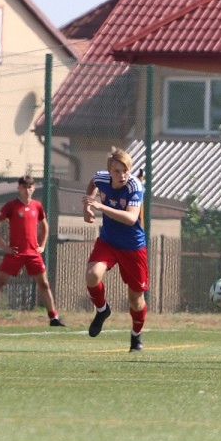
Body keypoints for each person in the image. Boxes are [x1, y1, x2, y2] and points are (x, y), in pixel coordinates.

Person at [82, 147, 148, 352]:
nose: (123, 175)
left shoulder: (134, 186)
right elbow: (93, 183)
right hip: (109, 241)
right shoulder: (102, 178)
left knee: (135, 300)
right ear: (110, 171)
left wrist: (101, 208)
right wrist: (87, 208)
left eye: (126, 170)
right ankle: (102, 310)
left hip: (132, 246)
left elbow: (130, 218)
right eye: (118, 171)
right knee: (92, 275)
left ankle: (136, 336)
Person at [0, 175, 65, 328]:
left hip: (33, 254)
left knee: (44, 284)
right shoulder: (11, 205)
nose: (27, 190)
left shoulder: (37, 206)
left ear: (33, 188)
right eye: (24, 187)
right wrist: (4, 247)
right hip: (15, 253)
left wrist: (42, 245)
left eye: (30, 187)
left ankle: (54, 318)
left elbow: (45, 226)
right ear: (18, 188)